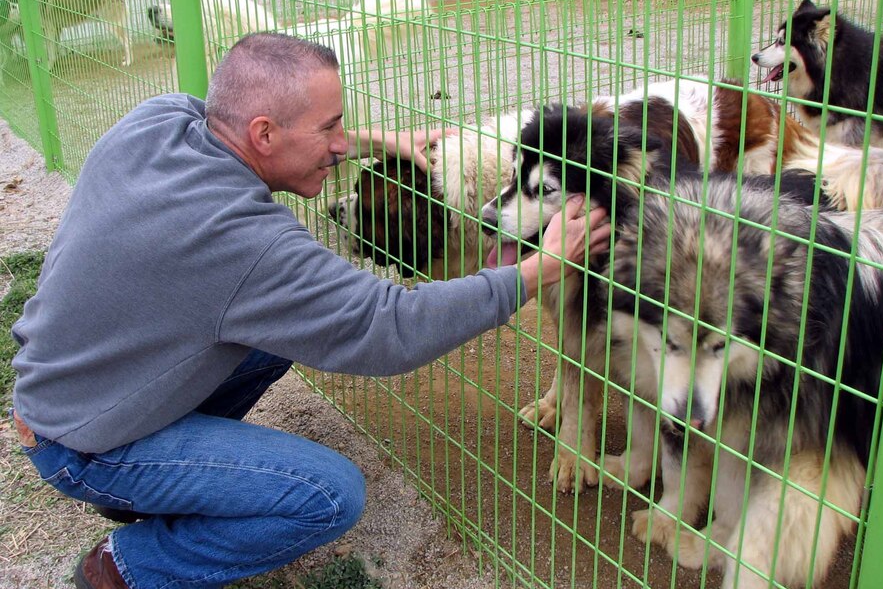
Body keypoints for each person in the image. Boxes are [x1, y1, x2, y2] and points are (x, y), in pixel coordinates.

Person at [10, 33, 611, 589]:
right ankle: (126, 567)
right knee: (326, 496)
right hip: (86, 441)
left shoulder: (159, 119)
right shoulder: (244, 243)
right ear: (265, 135)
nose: (342, 144)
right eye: (331, 128)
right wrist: (538, 270)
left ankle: (145, 488)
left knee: (281, 333)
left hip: (59, 388)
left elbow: (224, 114)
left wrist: (387, 142)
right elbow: (390, 328)